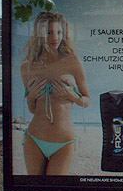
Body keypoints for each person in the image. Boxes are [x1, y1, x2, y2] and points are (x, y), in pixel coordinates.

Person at [20, 12, 90, 176]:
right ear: (40, 34)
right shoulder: (27, 66)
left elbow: (87, 100)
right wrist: (31, 97)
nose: (55, 38)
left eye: (59, 32)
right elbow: (32, 108)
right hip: (34, 138)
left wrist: (72, 96)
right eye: (49, 32)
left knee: (55, 189)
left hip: (63, 141)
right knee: (34, 188)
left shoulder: (72, 62)